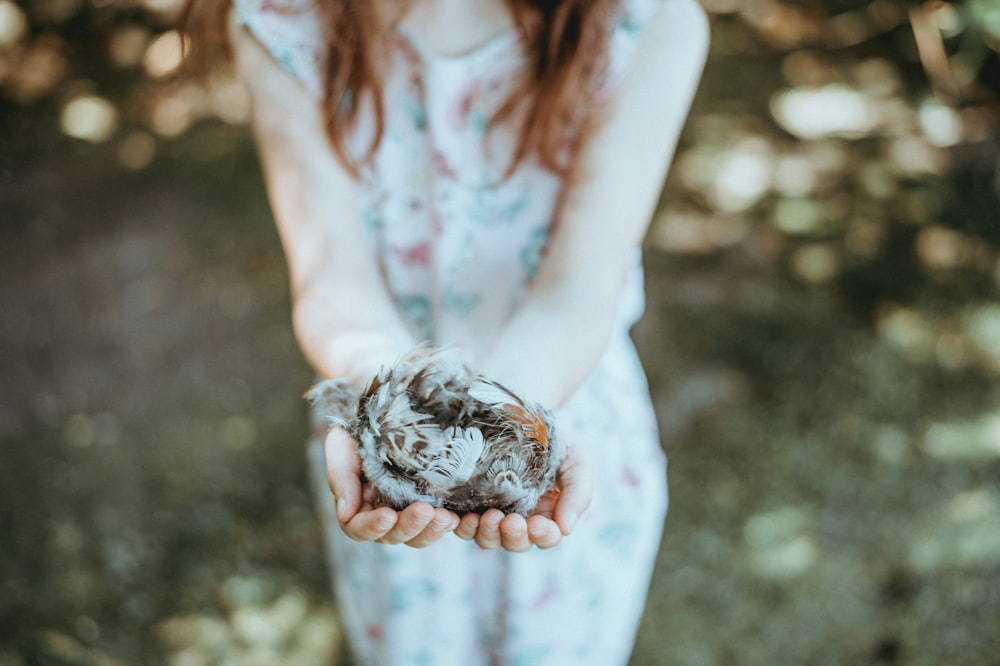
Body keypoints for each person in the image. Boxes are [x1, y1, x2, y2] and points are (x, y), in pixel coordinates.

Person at [203, 0, 708, 661]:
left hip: (560, 405)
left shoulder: (647, 23)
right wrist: (391, 406)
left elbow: (576, 291)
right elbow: (333, 281)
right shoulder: (284, 24)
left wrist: (506, 423)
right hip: (384, 426)